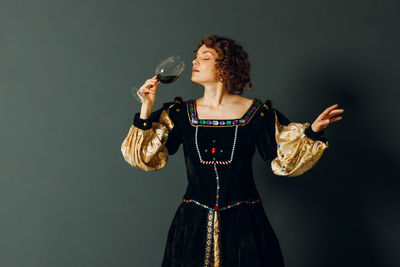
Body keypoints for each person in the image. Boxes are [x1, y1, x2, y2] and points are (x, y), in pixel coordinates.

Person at [121, 34, 343, 267]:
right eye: (195, 58)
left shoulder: (258, 114)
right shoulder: (179, 114)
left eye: (205, 58)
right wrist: (146, 109)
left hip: (245, 228)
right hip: (192, 229)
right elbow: (144, 157)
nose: (195, 63)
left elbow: (283, 162)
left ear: (225, 68)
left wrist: (313, 132)